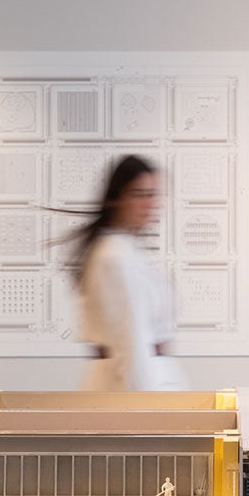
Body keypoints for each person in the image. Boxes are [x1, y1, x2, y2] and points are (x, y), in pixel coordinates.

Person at [66, 155, 184, 391]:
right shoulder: (115, 256)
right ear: (116, 199)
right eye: (139, 195)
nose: (149, 204)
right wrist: (146, 407)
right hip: (130, 387)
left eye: (152, 195)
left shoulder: (126, 249)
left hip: (142, 380)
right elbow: (132, 342)